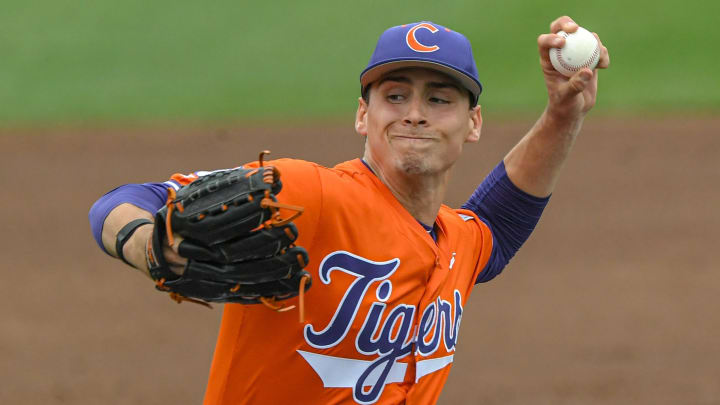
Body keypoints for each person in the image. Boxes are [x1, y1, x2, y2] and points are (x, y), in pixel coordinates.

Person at [89, 16, 609, 405]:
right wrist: (144, 242)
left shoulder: (456, 242)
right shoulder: (309, 193)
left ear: (473, 123)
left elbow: (499, 224)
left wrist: (563, 114)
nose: (414, 114)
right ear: (364, 115)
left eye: (439, 100)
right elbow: (123, 201)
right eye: (395, 95)